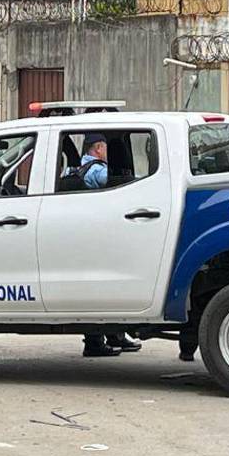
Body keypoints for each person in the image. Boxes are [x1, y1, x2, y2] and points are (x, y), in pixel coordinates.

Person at [74, 134, 143, 357]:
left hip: (88, 231)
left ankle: (115, 335)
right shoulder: (97, 170)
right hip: (96, 232)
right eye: (105, 148)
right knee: (97, 289)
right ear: (98, 149)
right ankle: (94, 342)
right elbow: (124, 183)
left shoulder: (77, 168)